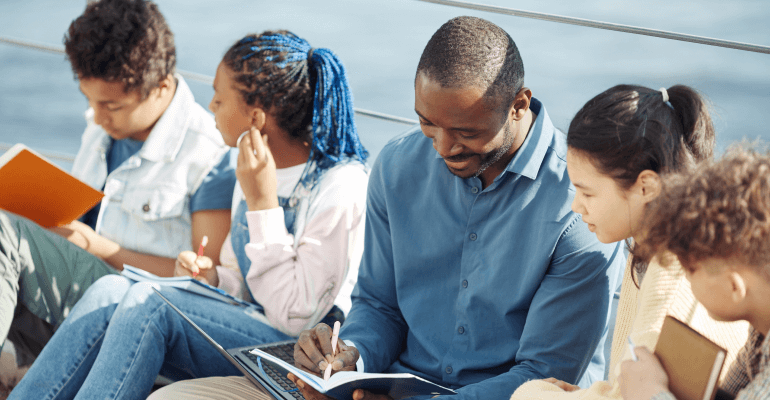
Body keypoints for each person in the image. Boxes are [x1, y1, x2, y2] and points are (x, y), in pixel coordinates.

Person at [157, 16, 626, 400]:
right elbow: (379, 306)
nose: (443, 147)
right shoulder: (398, 166)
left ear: (519, 105)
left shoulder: (580, 203)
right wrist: (350, 359)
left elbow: (544, 376)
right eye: (427, 122)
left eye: (465, 131)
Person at [8, 29, 369, 400]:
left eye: (218, 98)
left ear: (256, 118)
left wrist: (263, 205)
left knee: (149, 304)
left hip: (293, 353)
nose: (210, 106)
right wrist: (211, 277)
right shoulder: (254, 167)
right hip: (246, 329)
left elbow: (297, 317)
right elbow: (242, 283)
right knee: (110, 289)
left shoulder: (339, 187)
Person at [0, 0, 234, 388]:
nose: (97, 114)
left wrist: (96, 246)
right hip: (75, 290)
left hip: (133, 307)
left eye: (110, 105)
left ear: (161, 88)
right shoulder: (104, 125)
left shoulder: (209, 156)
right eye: (89, 100)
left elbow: (205, 286)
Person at [510, 85, 749, 400]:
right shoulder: (654, 246)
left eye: (588, 192)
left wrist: (533, 393)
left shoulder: (676, 277)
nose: (576, 207)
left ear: (646, 186)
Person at [619, 147, 770, 400]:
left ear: (734, 287)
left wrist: (649, 394)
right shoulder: (760, 332)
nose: (685, 280)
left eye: (690, 269)